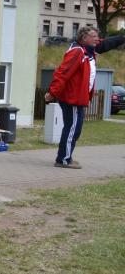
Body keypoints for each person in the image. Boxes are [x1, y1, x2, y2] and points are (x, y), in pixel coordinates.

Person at [45, 26, 99, 169]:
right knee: (72, 129)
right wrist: (52, 92)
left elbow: (105, 44)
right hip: (72, 98)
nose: (97, 39)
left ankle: (66, 157)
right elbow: (63, 72)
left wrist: (121, 39)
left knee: (74, 129)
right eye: (94, 36)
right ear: (84, 38)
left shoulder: (87, 51)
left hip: (78, 98)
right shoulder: (77, 51)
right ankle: (63, 160)